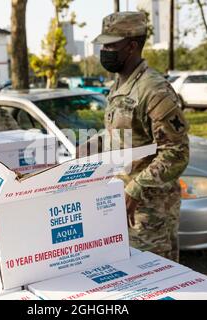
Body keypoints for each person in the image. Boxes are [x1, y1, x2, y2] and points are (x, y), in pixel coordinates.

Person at [79, 12, 190, 262]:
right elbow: (127, 134)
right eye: (103, 44)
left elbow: (177, 152)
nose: (104, 50)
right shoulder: (119, 85)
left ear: (131, 46)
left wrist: (137, 187)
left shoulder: (153, 89)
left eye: (111, 45)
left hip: (150, 213)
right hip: (121, 202)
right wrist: (95, 143)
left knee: (155, 280)